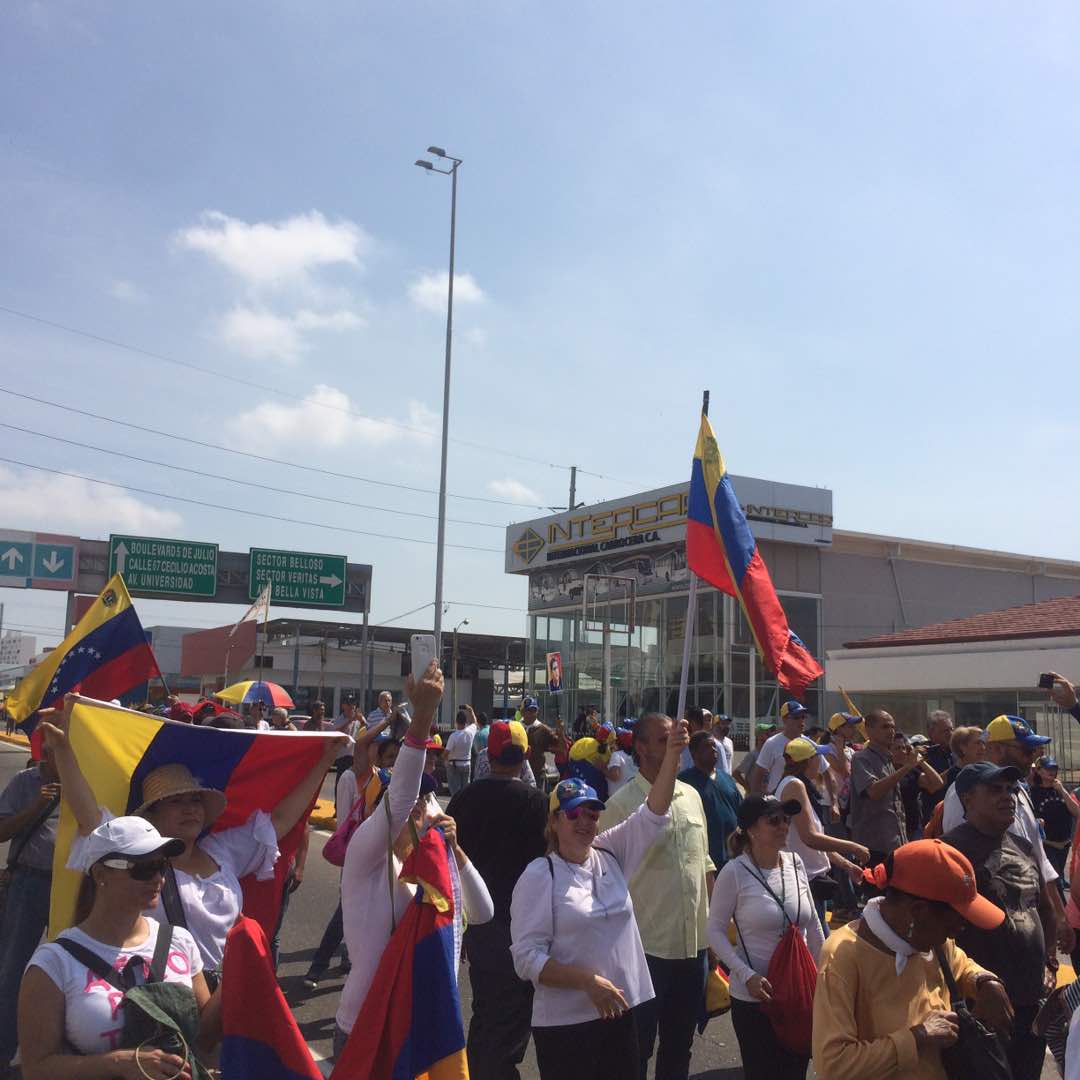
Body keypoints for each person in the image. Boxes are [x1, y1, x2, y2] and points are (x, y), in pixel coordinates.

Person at [41, 714, 347, 978]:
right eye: (176, 802)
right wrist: (63, 747)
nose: (190, 809)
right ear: (153, 813)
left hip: (223, 999)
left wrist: (324, 760)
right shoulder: (136, 854)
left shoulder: (222, 850)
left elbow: (280, 820)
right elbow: (88, 817)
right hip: (157, 995)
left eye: (195, 800)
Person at [510, 720, 690, 1080]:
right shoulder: (539, 875)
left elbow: (653, 811)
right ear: (555, 821)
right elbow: (526, 959)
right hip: (566, 1025)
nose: (585, 821)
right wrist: (586, 982)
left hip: (619, 1015)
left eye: (592, 813)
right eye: (574, 813)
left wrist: (671, 756)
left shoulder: (609, 853)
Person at [334, 661, 494, 1059]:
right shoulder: (365, 856)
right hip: (366, 1024)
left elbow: (485, 912)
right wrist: (422, 716)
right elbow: (401, 794)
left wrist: (456, 854)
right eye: (418, 802)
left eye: (429, 799)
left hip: (424, 1028)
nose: (425, 808)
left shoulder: (434, 865)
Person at [17, 814, 218, 1080]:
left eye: (162, 866)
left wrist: (243, 969)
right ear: (101, 874)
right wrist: (119, 1063)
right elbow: (36, 1069)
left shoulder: (179, 940)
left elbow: (204, 1038)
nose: (158, 878)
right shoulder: (53, 963)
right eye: (143, 868)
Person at [812, 839, 1013, 1080]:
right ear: (918, 911)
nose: (960, 930)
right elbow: (833, 1066)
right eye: (955, 923)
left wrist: (983, 980)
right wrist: (918, 1036)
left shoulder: (932, 940)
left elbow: (958, 962)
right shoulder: (843, 957)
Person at [599, 713, 715, 1080]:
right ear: (641, 747)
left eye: (679, 737)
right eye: (666, 739)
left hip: (691, 947)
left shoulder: (693, 797)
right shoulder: (620, 805)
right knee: (637, 1048)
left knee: (679, 1046)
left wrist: (713, 936)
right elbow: (603, 878)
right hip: (645, 949)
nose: (677, 743)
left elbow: (705, 864)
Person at [447, 719, 549, 1080]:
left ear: (488, 755)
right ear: (527, 756)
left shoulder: (462, 799)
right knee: (511, 1026)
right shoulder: (538, 803)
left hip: (477, 927)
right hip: (524, 929)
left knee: (487, 1011)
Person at [941, 762, 1053, 1080]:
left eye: (1011, 789)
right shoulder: (949, 851)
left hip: (1031, 1000)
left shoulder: (1024, 846)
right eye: (995, 789)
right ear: (967, 799)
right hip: (982, 1006)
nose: (1008, 796)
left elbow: (1043, 908)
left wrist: (1050, 963)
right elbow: (934, 933)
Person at [707, 793, 825, 1079]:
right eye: (774, 820)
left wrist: (825, 975)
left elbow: (813, 926)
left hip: (798, 994)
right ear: (751, 830)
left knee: (796, 1071)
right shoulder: (735, 872)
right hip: (756, 999)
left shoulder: (795, 863)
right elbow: (714, 930)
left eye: (786, 819)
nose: (784, 826)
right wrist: (745, 974)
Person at [941, 714, 1072, 951]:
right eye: (1026, 749)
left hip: (1029, 917)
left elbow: (1038, 859)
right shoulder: (962, 793)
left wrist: (1058, 914)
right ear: (997, 749)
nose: (1035, 755)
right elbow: (960, 863)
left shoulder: (1019, 790)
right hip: (991, 928)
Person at [303, 730, 398, 989]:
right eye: (386, 755)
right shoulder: (349, 778)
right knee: (346, 910)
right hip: (356, 852)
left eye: (394, 756)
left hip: (378, 854)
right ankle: (317, 968)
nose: (391, 760)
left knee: (369, 913)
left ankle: (349, 959)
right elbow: (345, 819)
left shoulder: (383, 778)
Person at [0, 739, 61, 1074]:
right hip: (28, 884)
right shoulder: (25, 783)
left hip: (74, 887)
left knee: (69, 972)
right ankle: (4, 1051)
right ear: (45, 754)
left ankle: (56, 1051)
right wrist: (35, 807)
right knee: (12, 970)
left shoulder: (87, 778)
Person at [774, 737, 869, 936]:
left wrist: (847, 865)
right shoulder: (795, 786)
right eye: (818, 757)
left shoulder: (802, 786)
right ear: (808, 761)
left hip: (812, 881)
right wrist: (853, 847)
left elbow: (816, 840)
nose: (822, 761)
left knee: (821, 945)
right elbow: (810, 837)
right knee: (818, 949)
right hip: (803, 882)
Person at [850, 709, 931, 866]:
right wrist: (907, 767)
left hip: (896, 845)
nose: (891, 731)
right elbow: (873, 792)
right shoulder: (861, 758)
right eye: (885, 727)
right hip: (873, 849)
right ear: (869, 729)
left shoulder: (888, 760)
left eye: (893, 727)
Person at [678, 730, 741, 872]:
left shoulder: (728, 779)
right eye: (707, 746)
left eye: (714, 746)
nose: (713, 750)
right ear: (694, 753)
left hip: (732, 859)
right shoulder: (684, 781)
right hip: (703, 860)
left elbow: (740, 812)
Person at [1030, 754, 1080, 895]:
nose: (1052, 771)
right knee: (1056, 881)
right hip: (1047, 844)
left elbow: (1077, 812)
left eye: (1054, 768)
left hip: (1064, 844)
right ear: (1039, 771)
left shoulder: (1060, 791)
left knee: (1059, 880)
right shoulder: (1034, 792)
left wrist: (1062, 791)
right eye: (1048, 768)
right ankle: (1064, 913)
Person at [893, 732, 944, 842]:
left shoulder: (911, 772)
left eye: (904, 748)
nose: (902, 751)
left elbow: (937, 783)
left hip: (914, 829)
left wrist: (920, 761)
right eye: (897, 748)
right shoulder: (886, 772)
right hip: (893, 831)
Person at [752, 701, 807, 794]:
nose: (801, 721)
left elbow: (825, 771)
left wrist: (833, 800)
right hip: (778, 801)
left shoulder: (809, 744)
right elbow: (758, 775)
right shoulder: (771, 743)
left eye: (803, 717)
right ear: (784, 720)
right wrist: (757, 802)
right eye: (796, 717)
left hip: (803, 800)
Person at [918, 710, 954, 825]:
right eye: (945, 731)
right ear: (931, 733)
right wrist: (959, 766)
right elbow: (932, 786)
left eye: (951, 729)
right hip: (934, 819)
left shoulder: (956, 752)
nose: (950, 734)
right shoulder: (923, 755)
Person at [734, 721, 776, 790]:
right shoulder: (753, 755)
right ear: (759, 736)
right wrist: (748, 789)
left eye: (771, 733)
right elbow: (736, 774)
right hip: (755, 797)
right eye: (767, 733)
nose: (770, 735)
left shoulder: (771, 753)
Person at [445, 707, 478, 796]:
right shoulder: (470, 732)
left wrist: (443, 759)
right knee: (465, 792)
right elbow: (475, 722)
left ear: (456, 721)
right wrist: (471, 710)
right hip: (467, 763)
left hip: (454, 765)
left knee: (455, 792)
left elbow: (446, 753)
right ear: (466, 722)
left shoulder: (454, 736)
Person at [609, 725, 639, 796]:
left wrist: (602, 767)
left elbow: (615, 776)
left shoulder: (617, 755)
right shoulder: (638, 756)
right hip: (631, 794)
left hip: (617, 797)